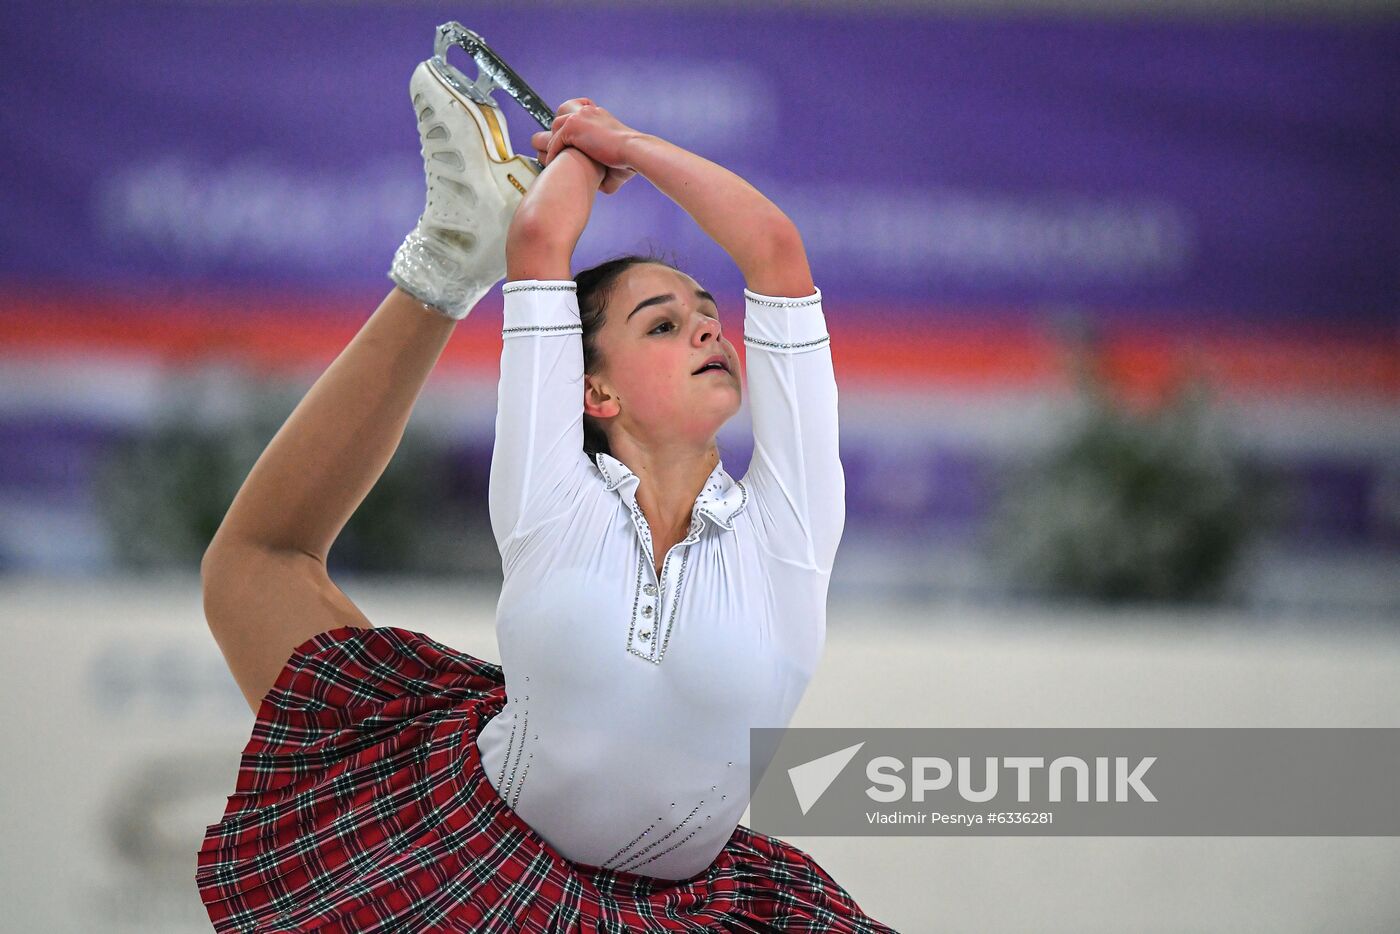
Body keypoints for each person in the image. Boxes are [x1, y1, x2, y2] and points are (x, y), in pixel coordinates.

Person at [196, 54, 896, 933]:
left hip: (692, 915)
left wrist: (629, 145)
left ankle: (463, 250)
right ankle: (450, 255)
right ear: (593, 392)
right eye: (664, 323)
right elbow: (540, 243)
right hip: (468, 857)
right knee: (253, 568)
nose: (710, 326)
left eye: (707, 313)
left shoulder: (790, 527)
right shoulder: (554, 495)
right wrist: (575, 156)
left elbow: (777, 254)